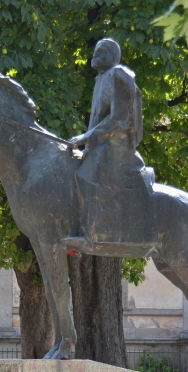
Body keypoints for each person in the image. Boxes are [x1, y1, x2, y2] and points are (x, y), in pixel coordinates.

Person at [62, 38, 154, 251]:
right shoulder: (102, 78)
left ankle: (90, 234)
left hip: (116, 143)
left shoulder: (117, 75)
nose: (95, 54)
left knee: (86, 175)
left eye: (102, 51)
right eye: (95, 50)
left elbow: (118, 120)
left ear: (114, 57)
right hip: (103, 142)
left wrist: (85, 137)